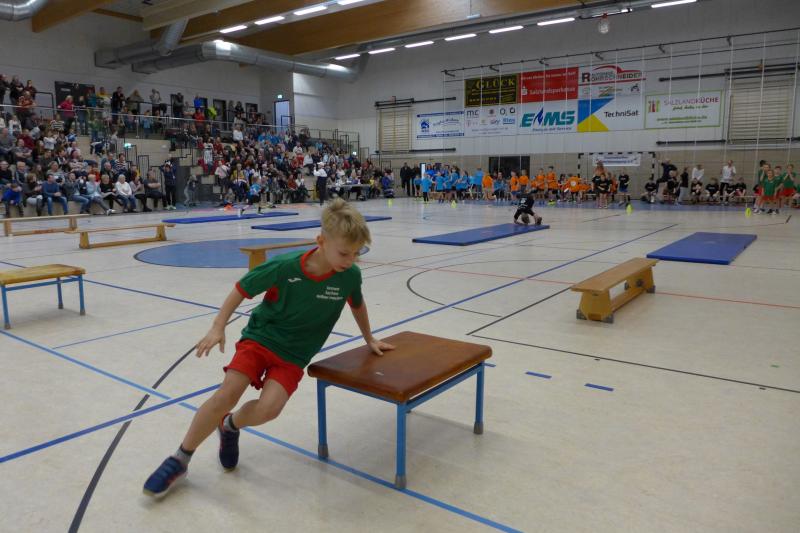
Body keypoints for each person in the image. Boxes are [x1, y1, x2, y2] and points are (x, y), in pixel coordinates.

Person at [143, 199, 394, 498]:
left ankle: (230, 425)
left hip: (295, 355)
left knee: (269, 409)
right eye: (343, 253)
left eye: (356, 253)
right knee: (227, 394)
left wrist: (369, 338)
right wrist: (218, 326)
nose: (350, 260)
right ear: (321, 241)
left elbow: (357, 304)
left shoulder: (349, 276)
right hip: (261, 339)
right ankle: (181, 459)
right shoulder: (284, 267)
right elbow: (240, 289)